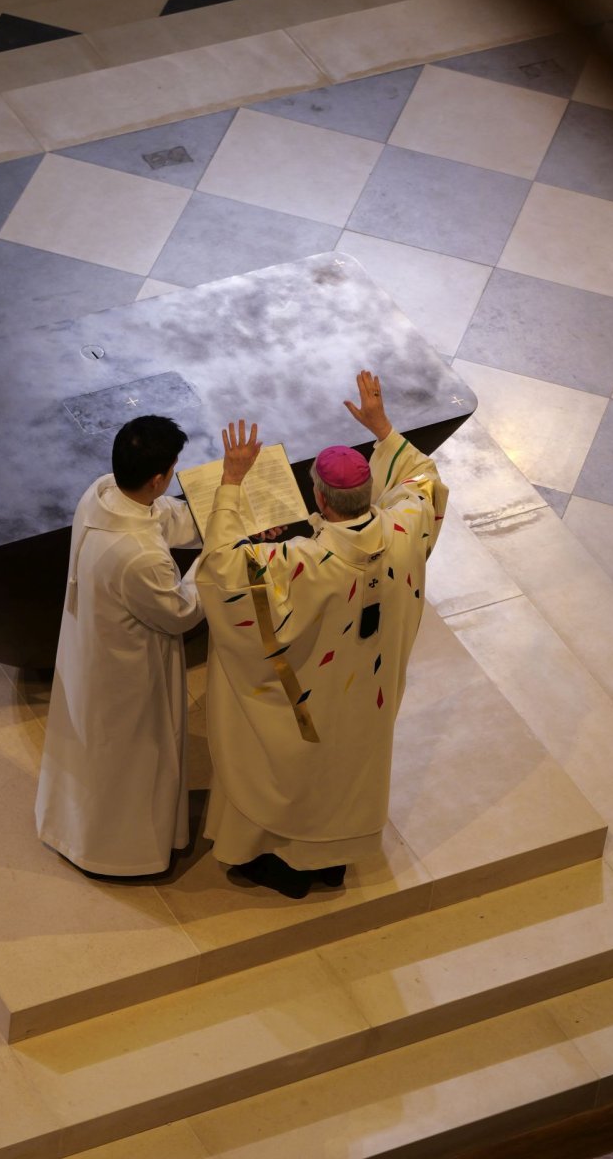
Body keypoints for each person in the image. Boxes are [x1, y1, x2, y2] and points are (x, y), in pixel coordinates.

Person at [195, 369, 448, 899]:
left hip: (312, 694)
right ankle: (333, 859)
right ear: (366, 493)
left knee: (295, 756)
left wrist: (232, 484)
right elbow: (424, 479)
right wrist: (383, 429)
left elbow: (221, 568)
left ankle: (289, 861)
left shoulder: (300, 562)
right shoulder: (404, 530)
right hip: (370, 692)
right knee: (351, 762)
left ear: (322, 500)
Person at [35, 415, 205, 877]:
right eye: (171, 470)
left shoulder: (102, 493)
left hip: (92, 645)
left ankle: (78, 832)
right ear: (157, 478)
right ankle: (120, 852)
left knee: (93, 747)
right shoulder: (141, 558)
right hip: (129, 668)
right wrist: (219, 553)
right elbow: (181, 612)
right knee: (131, 755)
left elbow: (157, 515)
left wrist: (217, 507)